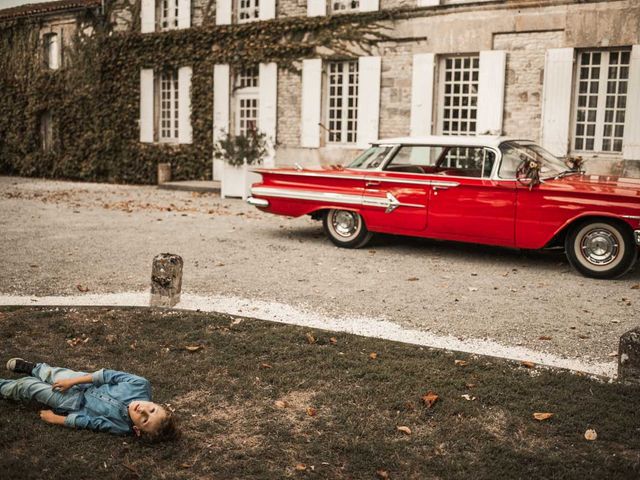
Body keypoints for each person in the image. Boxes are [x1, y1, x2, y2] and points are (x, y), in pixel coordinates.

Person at [0, 358, 179, 442]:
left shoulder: (121, 427)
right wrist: (72, 381)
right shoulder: (140, 385)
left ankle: (5, 386)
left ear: (137, 430)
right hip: (83, 381)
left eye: (144, 419)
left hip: (71, 402)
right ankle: (33, 368)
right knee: (53, 374)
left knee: (31, 388)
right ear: (156, 404)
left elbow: (91, 422)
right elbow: (107, 375)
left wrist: (58, 419)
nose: (143, 410)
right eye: (152, 409)